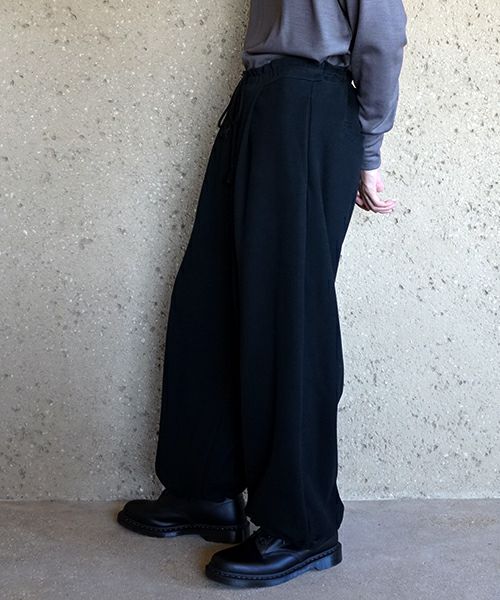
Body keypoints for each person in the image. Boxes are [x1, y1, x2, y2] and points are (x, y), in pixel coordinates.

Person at [117, 0, 408, 589]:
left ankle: (303, 527)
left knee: (287, 316)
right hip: (259, 98)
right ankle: (207, 489)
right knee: (210, 300)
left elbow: (382, 34)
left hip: (307, 105)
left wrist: (368, 149)